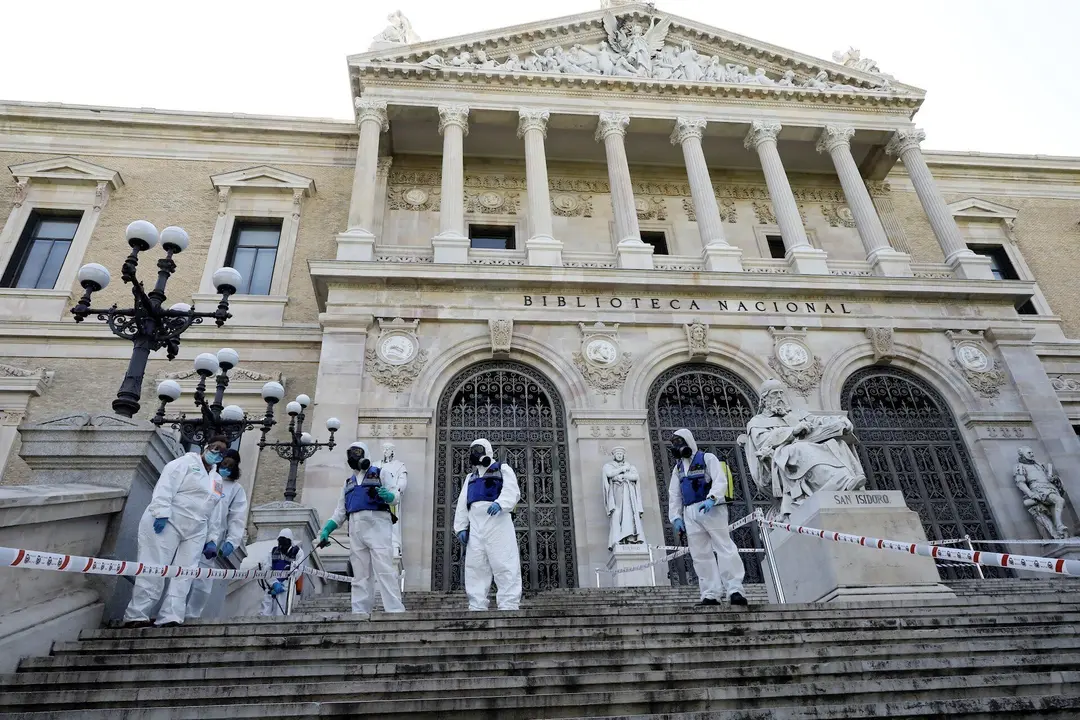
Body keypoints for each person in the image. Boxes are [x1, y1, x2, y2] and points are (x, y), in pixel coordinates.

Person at [123, 436, 228, 628]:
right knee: (154, 567)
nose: (217, 454)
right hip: (168, 521)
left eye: (222, 452)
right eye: (215, 448)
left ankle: (171, 615)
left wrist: (212, 538)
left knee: (185, 573)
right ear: (205, 447)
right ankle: (137, 615)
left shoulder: (217, 479)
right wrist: (161, 512)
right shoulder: (183, 463)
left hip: (196, 529)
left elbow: (216, 510)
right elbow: (165, 487)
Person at [318, 441, 406, 614]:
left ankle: (394, 609)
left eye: (357, 452)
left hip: (378, 524)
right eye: (351, 453)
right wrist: (326, 530)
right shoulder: (348, 483)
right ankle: (359, 611)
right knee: (360, 574)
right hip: (356, 528)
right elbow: (340, 512)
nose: (354, 456)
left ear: (365, 454)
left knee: (384, 568)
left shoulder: (381, 473)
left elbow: (395, 496)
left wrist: (387, 496)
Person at [667, 429, 747, 607]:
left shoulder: (707, 458)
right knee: (700, 554)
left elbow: (720, 480)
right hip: (690, 512)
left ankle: (735, 589)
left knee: (724, 547)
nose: (677, 446)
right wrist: (676, 518)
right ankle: (710, 593)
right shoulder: (678, 468)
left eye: (679, 442)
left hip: (711, 508)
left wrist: (712, 498)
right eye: (674, 443)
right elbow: (674, 494)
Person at [453, 438, 522, 611]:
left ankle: (509, 604)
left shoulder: (502, 469)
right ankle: (476, 604)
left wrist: (501, 503)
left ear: (487, 450)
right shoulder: (471, 477)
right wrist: (461, 527)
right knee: (475, 566)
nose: (475, 454)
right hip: (476, 526)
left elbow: (512, 490)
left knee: (504, 562)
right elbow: (462, 503)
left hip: (498, 522)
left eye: (478, 449)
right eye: (472, 450)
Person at [185, 449, 247, 620]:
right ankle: (171, 612)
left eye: (230, 465)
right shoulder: (204, 477)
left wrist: (232, 541)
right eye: (224, 463)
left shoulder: (235, 489)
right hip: (189, 529)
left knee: (203, 579)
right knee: (182, 571)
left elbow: (237, 517)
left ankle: (192, 615)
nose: (226, 467)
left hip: (213, 537)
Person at [261, 528, 301, 616]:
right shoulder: (272, 552)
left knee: (282, 612)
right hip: (272, 588)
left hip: (287, 589)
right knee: (265, 613)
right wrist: (274, 583)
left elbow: (298, 571)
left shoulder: (298, 553)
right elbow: (266, 568)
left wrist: (285, 584)